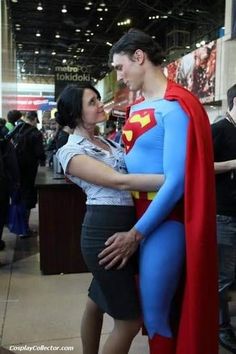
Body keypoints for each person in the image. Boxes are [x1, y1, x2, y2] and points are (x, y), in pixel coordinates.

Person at [98, 29, 218, 354]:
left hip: (163, 222)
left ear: (139, 57)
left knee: (155, 314)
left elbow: (177, 181)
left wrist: (136, 234)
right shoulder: (140, 106)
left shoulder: (176, 107)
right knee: (143, 311)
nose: (119, 77)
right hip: (134, 215)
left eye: (120, 67)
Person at [56, 84, 164, 354]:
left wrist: (223, 165)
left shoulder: (109, 143)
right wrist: (177, 180)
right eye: (92, 102)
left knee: (95, 303)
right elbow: (120, 181)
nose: (100, 104)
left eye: (97, 99)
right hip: (103, 230)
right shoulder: (70, 152)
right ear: (77, 114)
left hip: (123, 224)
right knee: (129, 322)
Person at [212, 83, 236, 354]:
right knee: (223, 277)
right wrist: (232, 164)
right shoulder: (218, 129)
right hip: (224, 215)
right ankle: (221, 326)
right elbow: (197, 166)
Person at [12, 111, 46, 237]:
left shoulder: (16, 130)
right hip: (29, 171)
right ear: (34, 119)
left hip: (16, 170)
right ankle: (24, 229)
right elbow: (40, 153)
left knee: (19, 197)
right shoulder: (35, 133)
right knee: (28, 198)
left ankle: (20, 227)